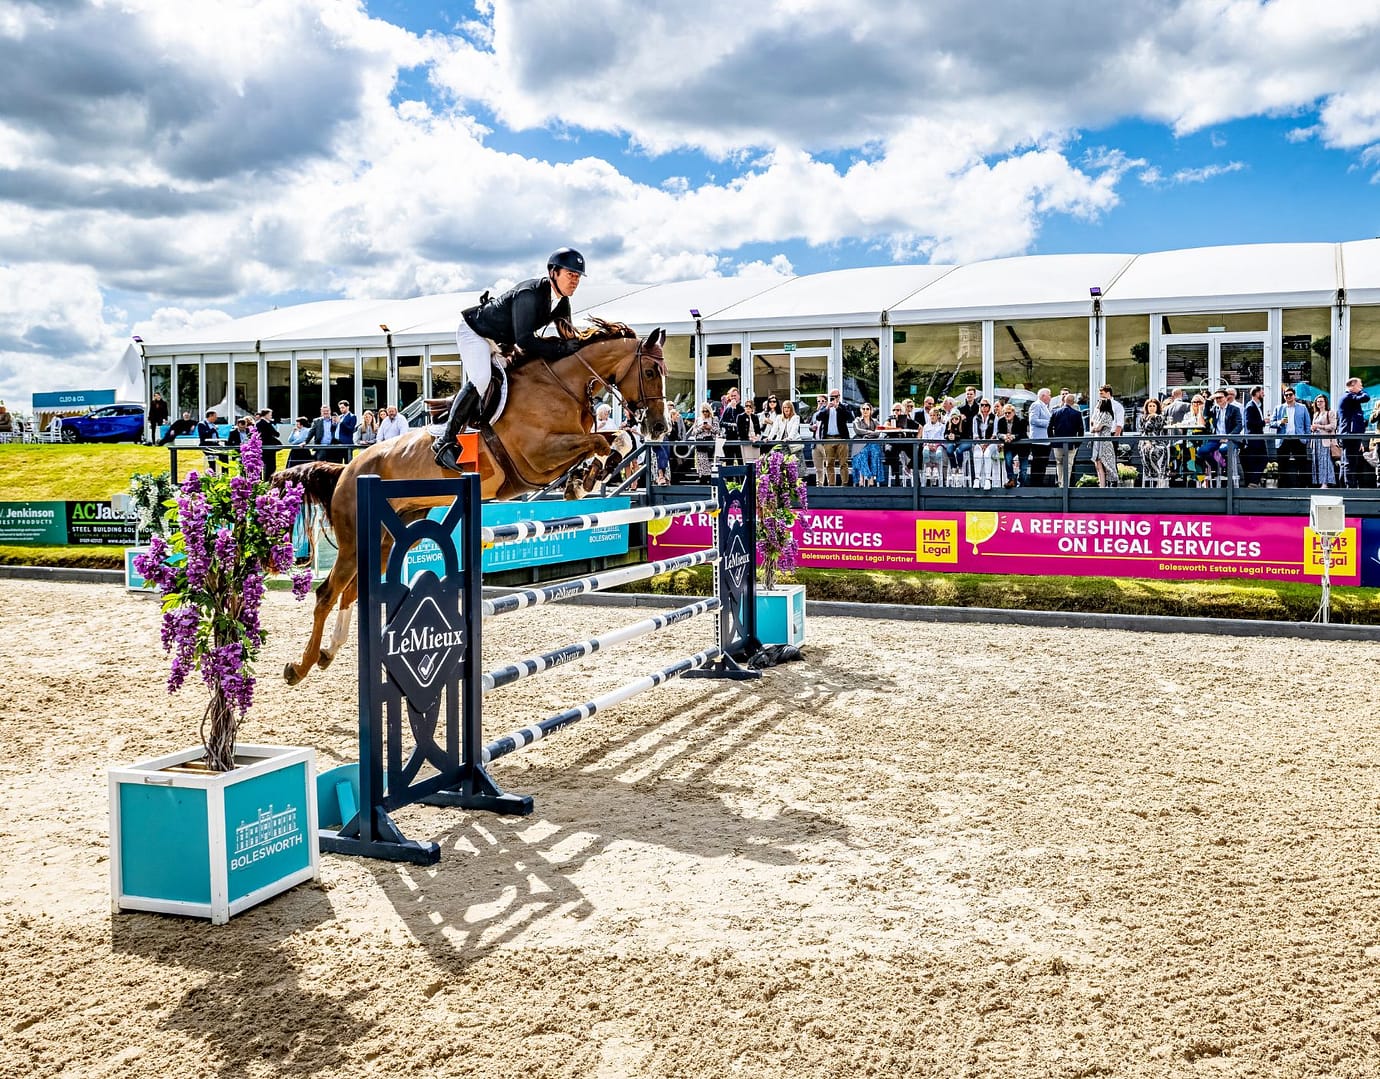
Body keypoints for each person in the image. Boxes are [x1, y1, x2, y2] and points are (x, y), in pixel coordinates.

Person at [434, 247, 588, 470]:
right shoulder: (530, 293)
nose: (575, 281)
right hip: (476, 333)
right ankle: (444, 442)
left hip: (500, 343)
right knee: (482, 378)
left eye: (577, 277)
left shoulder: (562, 302)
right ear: (553, 272)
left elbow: (569, 337)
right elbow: (525, 340)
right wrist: (559, 349)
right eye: (570, 274)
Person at [812, 389, 854, 486]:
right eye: (831, 397)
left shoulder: (844, 406)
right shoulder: (825, 408)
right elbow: (818, 417)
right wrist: (827, 407)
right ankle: (831, 485)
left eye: (835, 397)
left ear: (839, 397)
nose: (833, 399)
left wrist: (838, 407)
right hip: (828, 438)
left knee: (843, 463)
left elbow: (850, 418)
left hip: (841, 438)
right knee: (829, 463)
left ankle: (845, 484)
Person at [1271, 388, 1311, 488]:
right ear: (1284, 396)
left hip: (1298, 439)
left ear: (1294, 395)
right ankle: (1283, 486)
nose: (1288, 397)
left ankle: (1302, 486)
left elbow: (1307, 425)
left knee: (1301, 463)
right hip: (1284, 439)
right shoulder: (1279, 408)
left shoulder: (1302, 407)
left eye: (1290, 394)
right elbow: (1272, 423)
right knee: (1282, 463)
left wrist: (1306, 439)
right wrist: (1280, 422)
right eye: (1286, 395)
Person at [1338, 377, 1371, 488]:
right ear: (1352, 385)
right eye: (1359, 385)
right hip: (1349, 433)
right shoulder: (1348, 396)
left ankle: (1344, 484)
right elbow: (1366, 397)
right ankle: (1349, 486)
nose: (1361, 387)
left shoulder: (1350, 397)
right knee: (1349, 460)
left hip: (1350, 433)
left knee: (1347, 460)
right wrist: (1361, 391)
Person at [1089, 384, 1124, 487]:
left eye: (1102, 393)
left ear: (1108, 393)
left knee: (1111, 460)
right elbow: (1093, 420)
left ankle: (1113, 484)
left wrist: (1116, 436)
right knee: (1099, 461)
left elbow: (1119, 424)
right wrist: (1093, 426)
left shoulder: (1116, 406)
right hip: (1098, 437)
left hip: (1111, 435)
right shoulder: (1098, 406)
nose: (1100, 396)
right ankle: (1103, 483)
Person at [1047, 392, 1084, 487]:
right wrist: (1078, 443)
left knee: (1059, 464)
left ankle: (1060, 484)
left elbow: (1049, 428)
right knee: (1068, 465)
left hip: (1057, 443)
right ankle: (1064, 485)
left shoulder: (1056, 413)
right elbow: (1081, 430)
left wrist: (1052, 441)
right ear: (1073, 402)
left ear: (1064, 401)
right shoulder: (1077, 414)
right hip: (1071, 444)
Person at [1138, 397, 1170, 487]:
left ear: (1157, 407)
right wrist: (1147, 441)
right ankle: (1152, 474)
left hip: (1158, 441)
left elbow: (1159, 428)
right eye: (1150, 406)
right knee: (1147, 450)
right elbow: (1142, 432)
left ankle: (1160, 476)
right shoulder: (1142, 418)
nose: (1151, 408)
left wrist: (1154, 417)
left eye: (1153, 406)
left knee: (1159, 451)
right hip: (1145, 441)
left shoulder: (1160, 417)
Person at [1308, 394, 1338, 488]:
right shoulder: (1315, 414)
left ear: (1325, 403)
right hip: (1316, 441)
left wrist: (1319, 427)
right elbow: (1314, 426)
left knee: (1325, 461)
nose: (1319, 403)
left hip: (1325, 441)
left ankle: (1325, 483)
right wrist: (1312, 428)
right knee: (1316, 461)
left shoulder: (1330, 413)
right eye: (1317, 401)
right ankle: (1318, 481)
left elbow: (1333, 426)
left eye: (1321, 401)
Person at [997, 403, 1029, 488]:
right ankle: (1011, 479)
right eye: (1005, 413)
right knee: (1008, 459)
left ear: (1013, 413)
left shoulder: (1021, 420)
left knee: (1023, 469)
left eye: (1009, 413)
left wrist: (1013, 437)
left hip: (1022, 446)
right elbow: (999, 433)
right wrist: (1004, 436)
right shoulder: (1001, 421)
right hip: (1009, 445)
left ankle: (1021, 484)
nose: (1007, 414)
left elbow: (1022, 433)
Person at [1241, 386, 1268, 487]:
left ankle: (1253, 482)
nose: (1263, 394)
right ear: (1256, 393)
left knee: (1261, 460)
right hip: (1254, 439)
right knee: (1262, 459)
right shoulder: (1250, 406)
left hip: (1258, 438)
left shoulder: (1257, 406)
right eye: (1262, 392)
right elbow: (1249, 423)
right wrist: (1263, 422)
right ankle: (1253, 482)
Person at [969, 398, 999, 489]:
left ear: (989, 407)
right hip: (979, 442)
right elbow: (975, 434)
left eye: (986, 405)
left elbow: (995, 433)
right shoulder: (976, 418)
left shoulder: (994, 417)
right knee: (977, 454)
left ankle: (988, 479)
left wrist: (987, 443)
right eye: (982, 405)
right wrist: (981, 443)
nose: (984, 407)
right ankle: (977, 479)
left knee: (986, 454)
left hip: (991, 442)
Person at [849, 403, 881, 485]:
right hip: (860, 445)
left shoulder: (875, 421)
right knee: (862, 453)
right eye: (863, 409)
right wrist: (870, 432)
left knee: (874, 452)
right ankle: (869, 477)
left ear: (871, 411)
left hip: (872, 445)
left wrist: (866, 435)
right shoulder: (857, 420)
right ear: (861, 410)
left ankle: (870, 476)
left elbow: (878, 433)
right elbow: (858, 430)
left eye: (867, 409)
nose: (865, 411)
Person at [1027, 388, 1052, 487]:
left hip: (1045, 440)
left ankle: (1040, 482)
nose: (1050, 397)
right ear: (1043, 396)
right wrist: (1049, 423)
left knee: (1043, 463)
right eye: (1049, 395)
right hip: (1038, 440)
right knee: (1038, 463)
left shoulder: (1045, 407)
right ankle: (1035, 484)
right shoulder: (1036, 405)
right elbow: (1033, 420)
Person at [689, 403, 718, 480]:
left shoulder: (714, 419)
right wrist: (701, 428)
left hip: (710, 445)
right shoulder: (698, 420)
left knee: (711, 465)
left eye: (707, 411)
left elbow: (718, 431)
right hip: (700, 444)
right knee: (702, 466)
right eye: (703, 411)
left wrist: (710, 427)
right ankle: (703, 479)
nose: (705, 413)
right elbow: (693, 432)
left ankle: (711, 480)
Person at [736, 396, 762, 465]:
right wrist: (749, 438)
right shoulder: (740, 417)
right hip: (746, 440)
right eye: (746, 406)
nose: (748, 408)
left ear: (752, 408)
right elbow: (740, 431)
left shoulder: (755, 417)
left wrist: (757, 437)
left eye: (750, 406)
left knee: (756, 461)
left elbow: (758, 430)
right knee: (748, 460)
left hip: (755, 440)